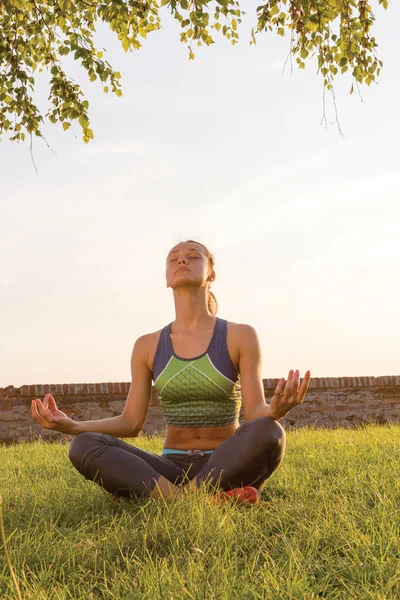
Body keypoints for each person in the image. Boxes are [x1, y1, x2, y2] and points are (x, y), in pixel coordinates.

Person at [31, 240, 311, 505]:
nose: (182, 259)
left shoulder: (240, 335)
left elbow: (254, 413)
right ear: (166, 278)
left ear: (211, 273)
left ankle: (157, 495)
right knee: (84, 445)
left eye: (193, 255)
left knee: (269, 431)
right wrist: (74, 427)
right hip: (170, 467)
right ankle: (200, 499)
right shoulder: (147, 345)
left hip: (226, 463)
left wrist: (275, 410)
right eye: (174, 257)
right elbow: (131, 423)